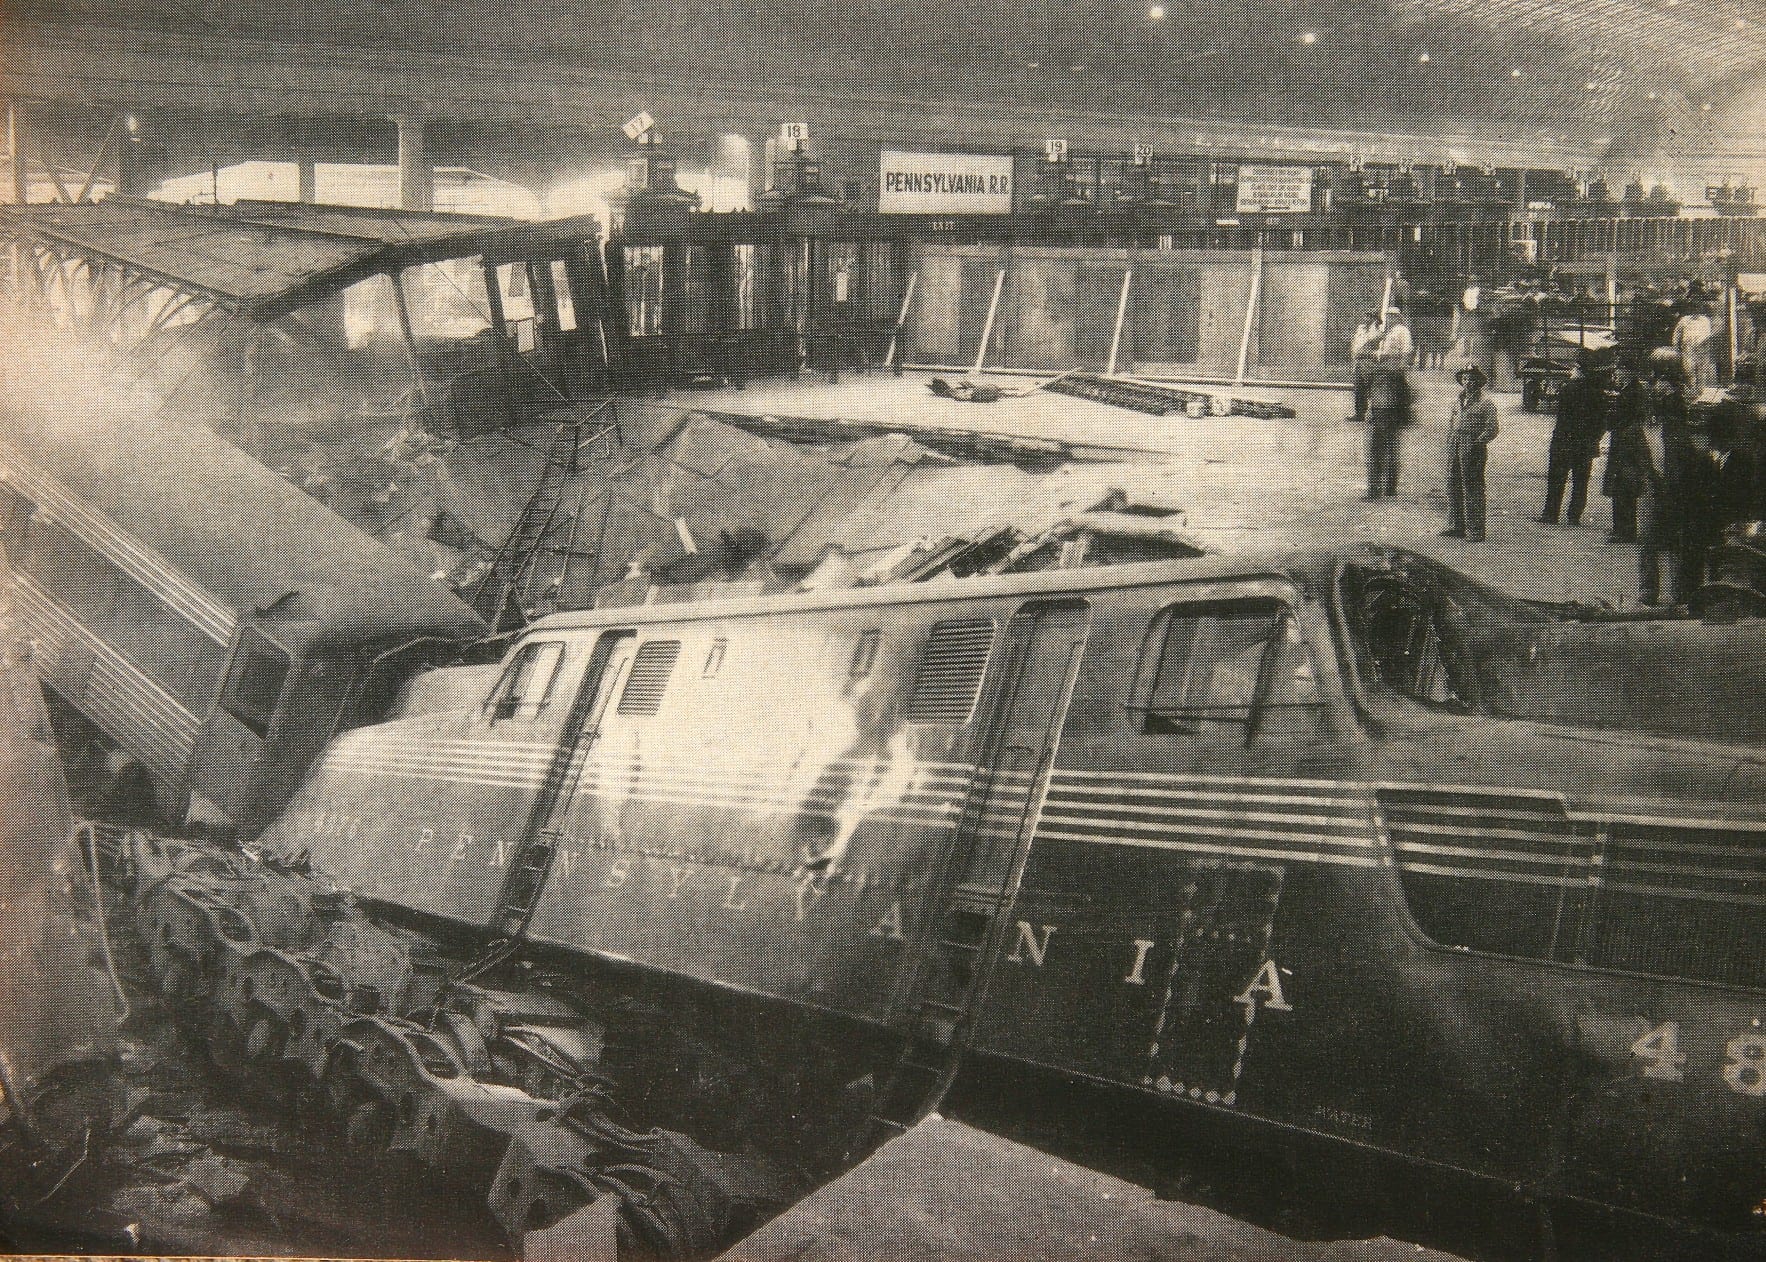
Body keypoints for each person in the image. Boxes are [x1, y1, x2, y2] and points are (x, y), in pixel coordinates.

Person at [1610, 353, 1700, 605]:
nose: (1652, 417)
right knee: (1647, 542)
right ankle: (1648, 591)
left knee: (1674, 543)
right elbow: (1625, 464)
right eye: (1648, 414)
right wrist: (1640, 481)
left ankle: (1678, 592)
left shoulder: (1675, 432)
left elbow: (1688, 461)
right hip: (1650, 491)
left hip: (1673, 491)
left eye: (1655, 414)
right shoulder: (1633, 435)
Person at [1539, 349, 1607, 525]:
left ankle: (1550, 514)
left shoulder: (1568, 389)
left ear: (1579, 370)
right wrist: (1594, 439)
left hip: (1563, 442)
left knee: (1556, 479)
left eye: (1574, 368)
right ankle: (1574, 516)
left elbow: (1559, 413)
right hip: (1585, 445)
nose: (1571, 371)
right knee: (1581, 482)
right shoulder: (1598, 392)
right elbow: (1602, 421)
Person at [1442, 363, 1499, 540]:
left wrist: (1478, 442)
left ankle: (1475, 530)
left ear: (1478, 383)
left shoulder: (1485, 403)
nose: (1468, 383)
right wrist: (1450, 441)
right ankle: (1455, 526)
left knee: (1472, 486)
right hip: (1455, 444)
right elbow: (1452, 423)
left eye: (1472, 380)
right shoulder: (1457, 401)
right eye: (1465, 379)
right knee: (1453, 484)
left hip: (1472, 446)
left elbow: (1492, 428)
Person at [1601, 354, 1649, 542]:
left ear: (1629, 371)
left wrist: (1613, 417)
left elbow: (1632, 416)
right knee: (1619, 483)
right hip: (1622, 439)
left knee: (1624, 485)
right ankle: (1620, 528)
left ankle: (1626, 530)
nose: (1617, 372)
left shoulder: (1634, 391)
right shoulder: (1628, 388)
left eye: (1620, 369)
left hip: (1627, 442)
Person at [1673, 301, 1718, 393]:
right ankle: (1691, 390)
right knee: (1688, 369)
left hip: (1702, 348)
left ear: (1700, 309)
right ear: (1690, 309)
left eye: (1697, 308)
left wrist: (1708, 346)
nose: (1695, 310)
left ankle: (1700, 391)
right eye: (1693, 308)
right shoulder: (1684, 320)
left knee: (1702, 370)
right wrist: (1676, 346)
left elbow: (1708, 334)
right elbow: (1677, 333)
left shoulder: (1705, 320)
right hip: (1688, 348)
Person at [1349, 309, 1382, 425]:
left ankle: (1375, 415)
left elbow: (1377, 347)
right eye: (1366, 316)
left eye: (1370, 317)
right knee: (1359, 388)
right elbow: (1355, 343)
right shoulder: (1360, 328)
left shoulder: (1377, 331)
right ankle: (1359, 413)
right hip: (1358, 361)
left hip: (1370, 362)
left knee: (1372, 389)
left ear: (1374, 319)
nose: (1367, 319)